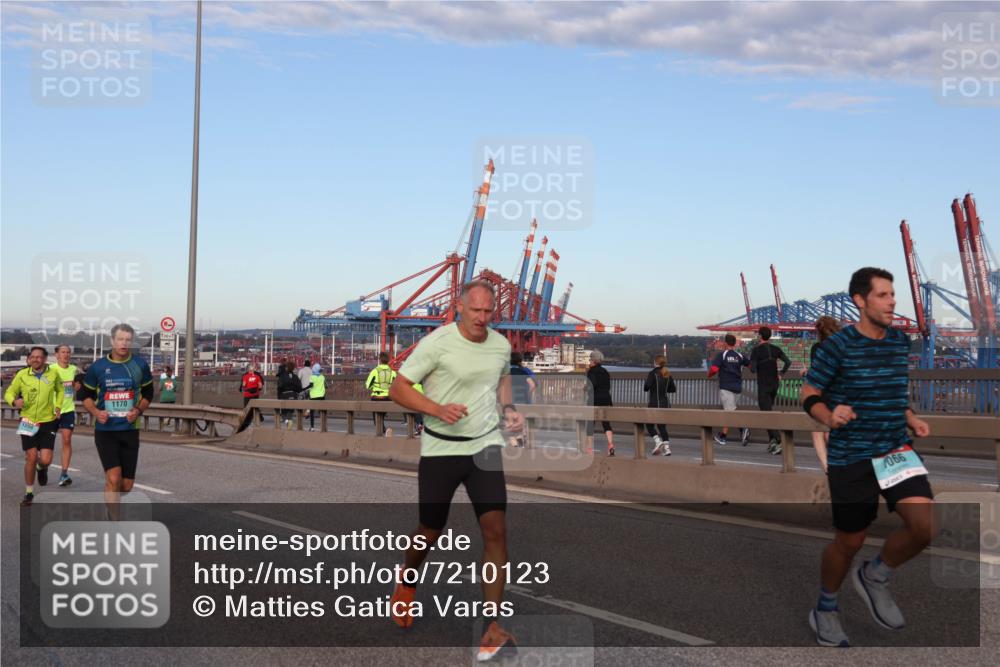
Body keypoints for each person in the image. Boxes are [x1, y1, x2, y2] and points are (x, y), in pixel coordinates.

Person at [387, 280, 522, 661]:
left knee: (496, 531)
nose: (482, 318)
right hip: (441, 450)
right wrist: (436, 409)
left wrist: (509, 411)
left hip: (484, 448)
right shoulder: (437, 343)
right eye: (475, 310)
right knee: (430, 530)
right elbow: (399, 388)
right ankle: (407, 582)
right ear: (459, 307)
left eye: (488, 312)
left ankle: (491, 626)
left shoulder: (500, 344)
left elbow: (502, 378)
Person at [801, 267, 933, 648]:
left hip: (894, 450)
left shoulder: (898, 342)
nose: (892, 301)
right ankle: (825, 609)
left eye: (893, 294)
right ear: (860, 300)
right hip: (851, 455)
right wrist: (829, 416)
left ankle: (875, 576)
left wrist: (909, 416)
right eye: (883, 295)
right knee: (850, 542)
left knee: (924, 527)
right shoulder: (837, 347)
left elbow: (894, 387)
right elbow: (809, 392)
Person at [81, 324, 154, 511]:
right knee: (114, 477)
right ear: (112, 341)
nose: (124, 343)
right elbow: (85, 397)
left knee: (125, 486)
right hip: (106, 431)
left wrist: (137, 410)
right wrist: (97, 413)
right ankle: (114, 524)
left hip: (130, 430)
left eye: (128, 340)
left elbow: (148, 394)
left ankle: (111, 494)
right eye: (120, 339)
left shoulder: (140, 365)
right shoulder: (98, 367)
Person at [5, 347, 62, 506]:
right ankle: (29, 493)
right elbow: (9, 392)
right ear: (29, 359)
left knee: (45, 459)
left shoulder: (52, 374)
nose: (36, 359)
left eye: (39, 357)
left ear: (45, 359)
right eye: (33, 357)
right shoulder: (22, 375)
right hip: (28, 420)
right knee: (30, 457)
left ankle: (41, 467)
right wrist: (14, 401)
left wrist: (58, 407)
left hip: (48, 420)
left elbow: (61, 390)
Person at [806, 316, 842, 472]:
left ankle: (828, 468)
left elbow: (817, 374)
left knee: (817, 432)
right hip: (841, 393)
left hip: (823, 394)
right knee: (831, 432)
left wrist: (804, 374)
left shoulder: (817, 348)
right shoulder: (843, 346)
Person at [749, 326, 792, 455]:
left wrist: (756, 365)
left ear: (760, 336)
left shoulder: (756, 350)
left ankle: (778, 440)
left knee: (766, 414)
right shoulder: (776, 349)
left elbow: (752, 369)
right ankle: (771, 442)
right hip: (775, 385)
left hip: (763, 385)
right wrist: (781, 373)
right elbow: (788, 362)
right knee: (768, 412)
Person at [708, 334, 750, 446]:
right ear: (735, 343)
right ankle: (737, 432)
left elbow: (714, 369)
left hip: (726, 387)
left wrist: (709, 375)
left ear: (726, 343)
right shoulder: (740, 355)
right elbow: (751, 366)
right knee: (731, 411)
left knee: (729, 413)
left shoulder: (722, 355)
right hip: (737, 388)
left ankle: (727, 435)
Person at [51, 344, 79, 486]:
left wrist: (76, 386)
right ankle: (42, 466)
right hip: (51, 411)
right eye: (63, 352)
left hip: (68, 409)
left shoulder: (74, 369)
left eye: (68, 352)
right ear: (56, 354)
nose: (66, 355)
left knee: (67, 440)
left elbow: (75, 384)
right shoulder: (50, 370)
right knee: (46, 448)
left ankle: (64, 474)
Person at [643, 354, 676, 456]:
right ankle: (667, 449)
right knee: (662, 427)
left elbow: (646, 387)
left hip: (654, 403)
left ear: (656, 362)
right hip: (665, 404)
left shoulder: (652, 373)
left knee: (649, 424)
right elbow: (673, 389)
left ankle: (658, 441)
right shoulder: (667, 373)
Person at [585, 350, 615, 456]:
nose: (589, 361)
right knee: (606, 424)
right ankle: (611, 445)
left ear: (594, 361)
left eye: (590, 359)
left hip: (594, 400)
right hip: (606, 399)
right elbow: (608, 387)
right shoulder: (605, 372)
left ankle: (589, 449)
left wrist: (585, 388)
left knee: (590, 424)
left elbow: (592, 385)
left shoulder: (591, 372)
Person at [366, 352, 396, 437]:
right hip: (388, 398)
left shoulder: (375, 371)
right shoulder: (392, 372)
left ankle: (384, 432)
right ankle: (384, 432)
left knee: (377, 418)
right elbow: (396, 386)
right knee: (381, 416)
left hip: (377, 397)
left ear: (380, 360)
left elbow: (368, 385)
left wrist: (375, 388)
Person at [275, 360, 302, 429]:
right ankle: (289, 424)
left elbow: (280, 387)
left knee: (284, 413)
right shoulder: (295, 377)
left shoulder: (282, 377)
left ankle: (287, 422)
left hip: (284, 396)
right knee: (290, 412)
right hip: (293, 396)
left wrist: (279, 396)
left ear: (286, 368)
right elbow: (299, 388)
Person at [308, 363, 326, 430]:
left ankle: (312, 427)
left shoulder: (312, 377)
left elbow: (311, 386)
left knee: (312, 412)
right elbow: (326, 386)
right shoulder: (322, 377)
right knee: (322, 412)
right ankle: (323, 427)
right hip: (321, 396)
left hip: (313, 397)